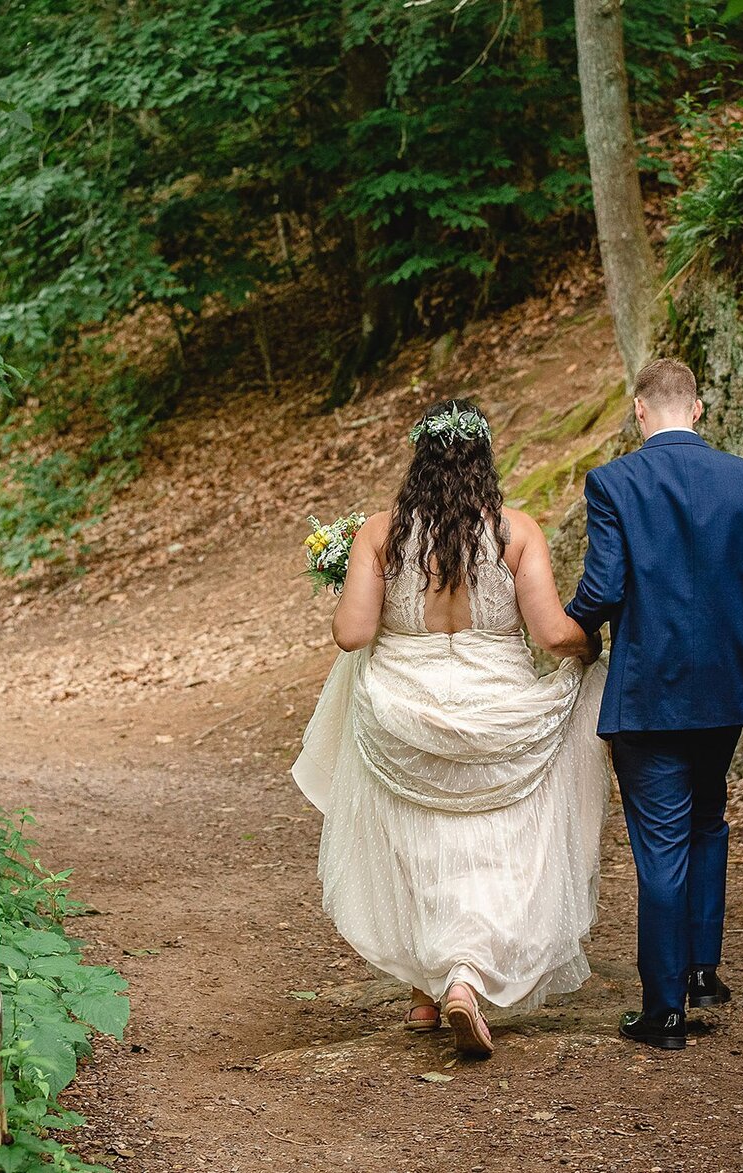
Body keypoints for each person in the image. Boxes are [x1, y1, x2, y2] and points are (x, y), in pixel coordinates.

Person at [292, 399, 612, 1058]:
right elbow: (552, 634)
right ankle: (463, 976)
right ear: (484, 459)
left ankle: (425, 991)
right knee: (492, 843)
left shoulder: (380, 534)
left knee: (416, 836)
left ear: (419, 460)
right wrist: (591, 647)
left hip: (406, 710)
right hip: (497, 709)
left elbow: (352, 633)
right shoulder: (516, 531)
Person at [565, 357, 743, 1052]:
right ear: (697, 409)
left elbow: (604, 587)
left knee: (663, 845)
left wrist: (565, 630)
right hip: (728, 694)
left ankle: (664, 1008)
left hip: (649, 692)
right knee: (708, 820)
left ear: (640, 411)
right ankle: (703, 971)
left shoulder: (614, 482)